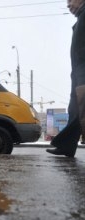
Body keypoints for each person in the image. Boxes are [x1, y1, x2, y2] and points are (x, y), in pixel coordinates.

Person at [46, 0, 85, 157]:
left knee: (82, 110)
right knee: (75, 111)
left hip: (83, 75)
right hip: (78, 74)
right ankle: (66, 146)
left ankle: (65, 146)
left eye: (70, 0)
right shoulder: (81, 18)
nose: (68, 5)